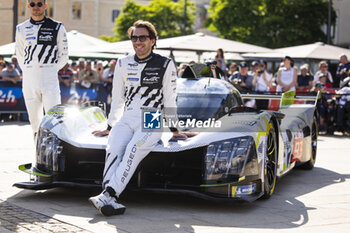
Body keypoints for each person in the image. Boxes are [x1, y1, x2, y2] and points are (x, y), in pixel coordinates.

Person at [88, 20, 191, 216]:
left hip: (152, 116)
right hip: (128, 115)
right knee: (113, 148)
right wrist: (110, 126)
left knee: (133, 150)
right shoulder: (122, 63)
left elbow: (170, 99)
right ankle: (110, 200)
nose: (138, 42)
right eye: (134, 38)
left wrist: (175, 129)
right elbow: (117, 98)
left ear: (153, 40)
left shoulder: (165, 63)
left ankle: (107, 193)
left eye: (142, 37)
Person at [15, 0, 68, 136]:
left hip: (49, 77)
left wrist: (49, 69)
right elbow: (20, 55)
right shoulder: (21, 28)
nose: (36, 7)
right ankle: (38, 156)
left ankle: (55, 155)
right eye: (32, 4)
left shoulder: (57, 27)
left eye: (39, 4)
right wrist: (29, 70)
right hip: (29, 79)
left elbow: (64, 56)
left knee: (55, 120)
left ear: (45, 5)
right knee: (34, 123)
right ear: (28, 6)